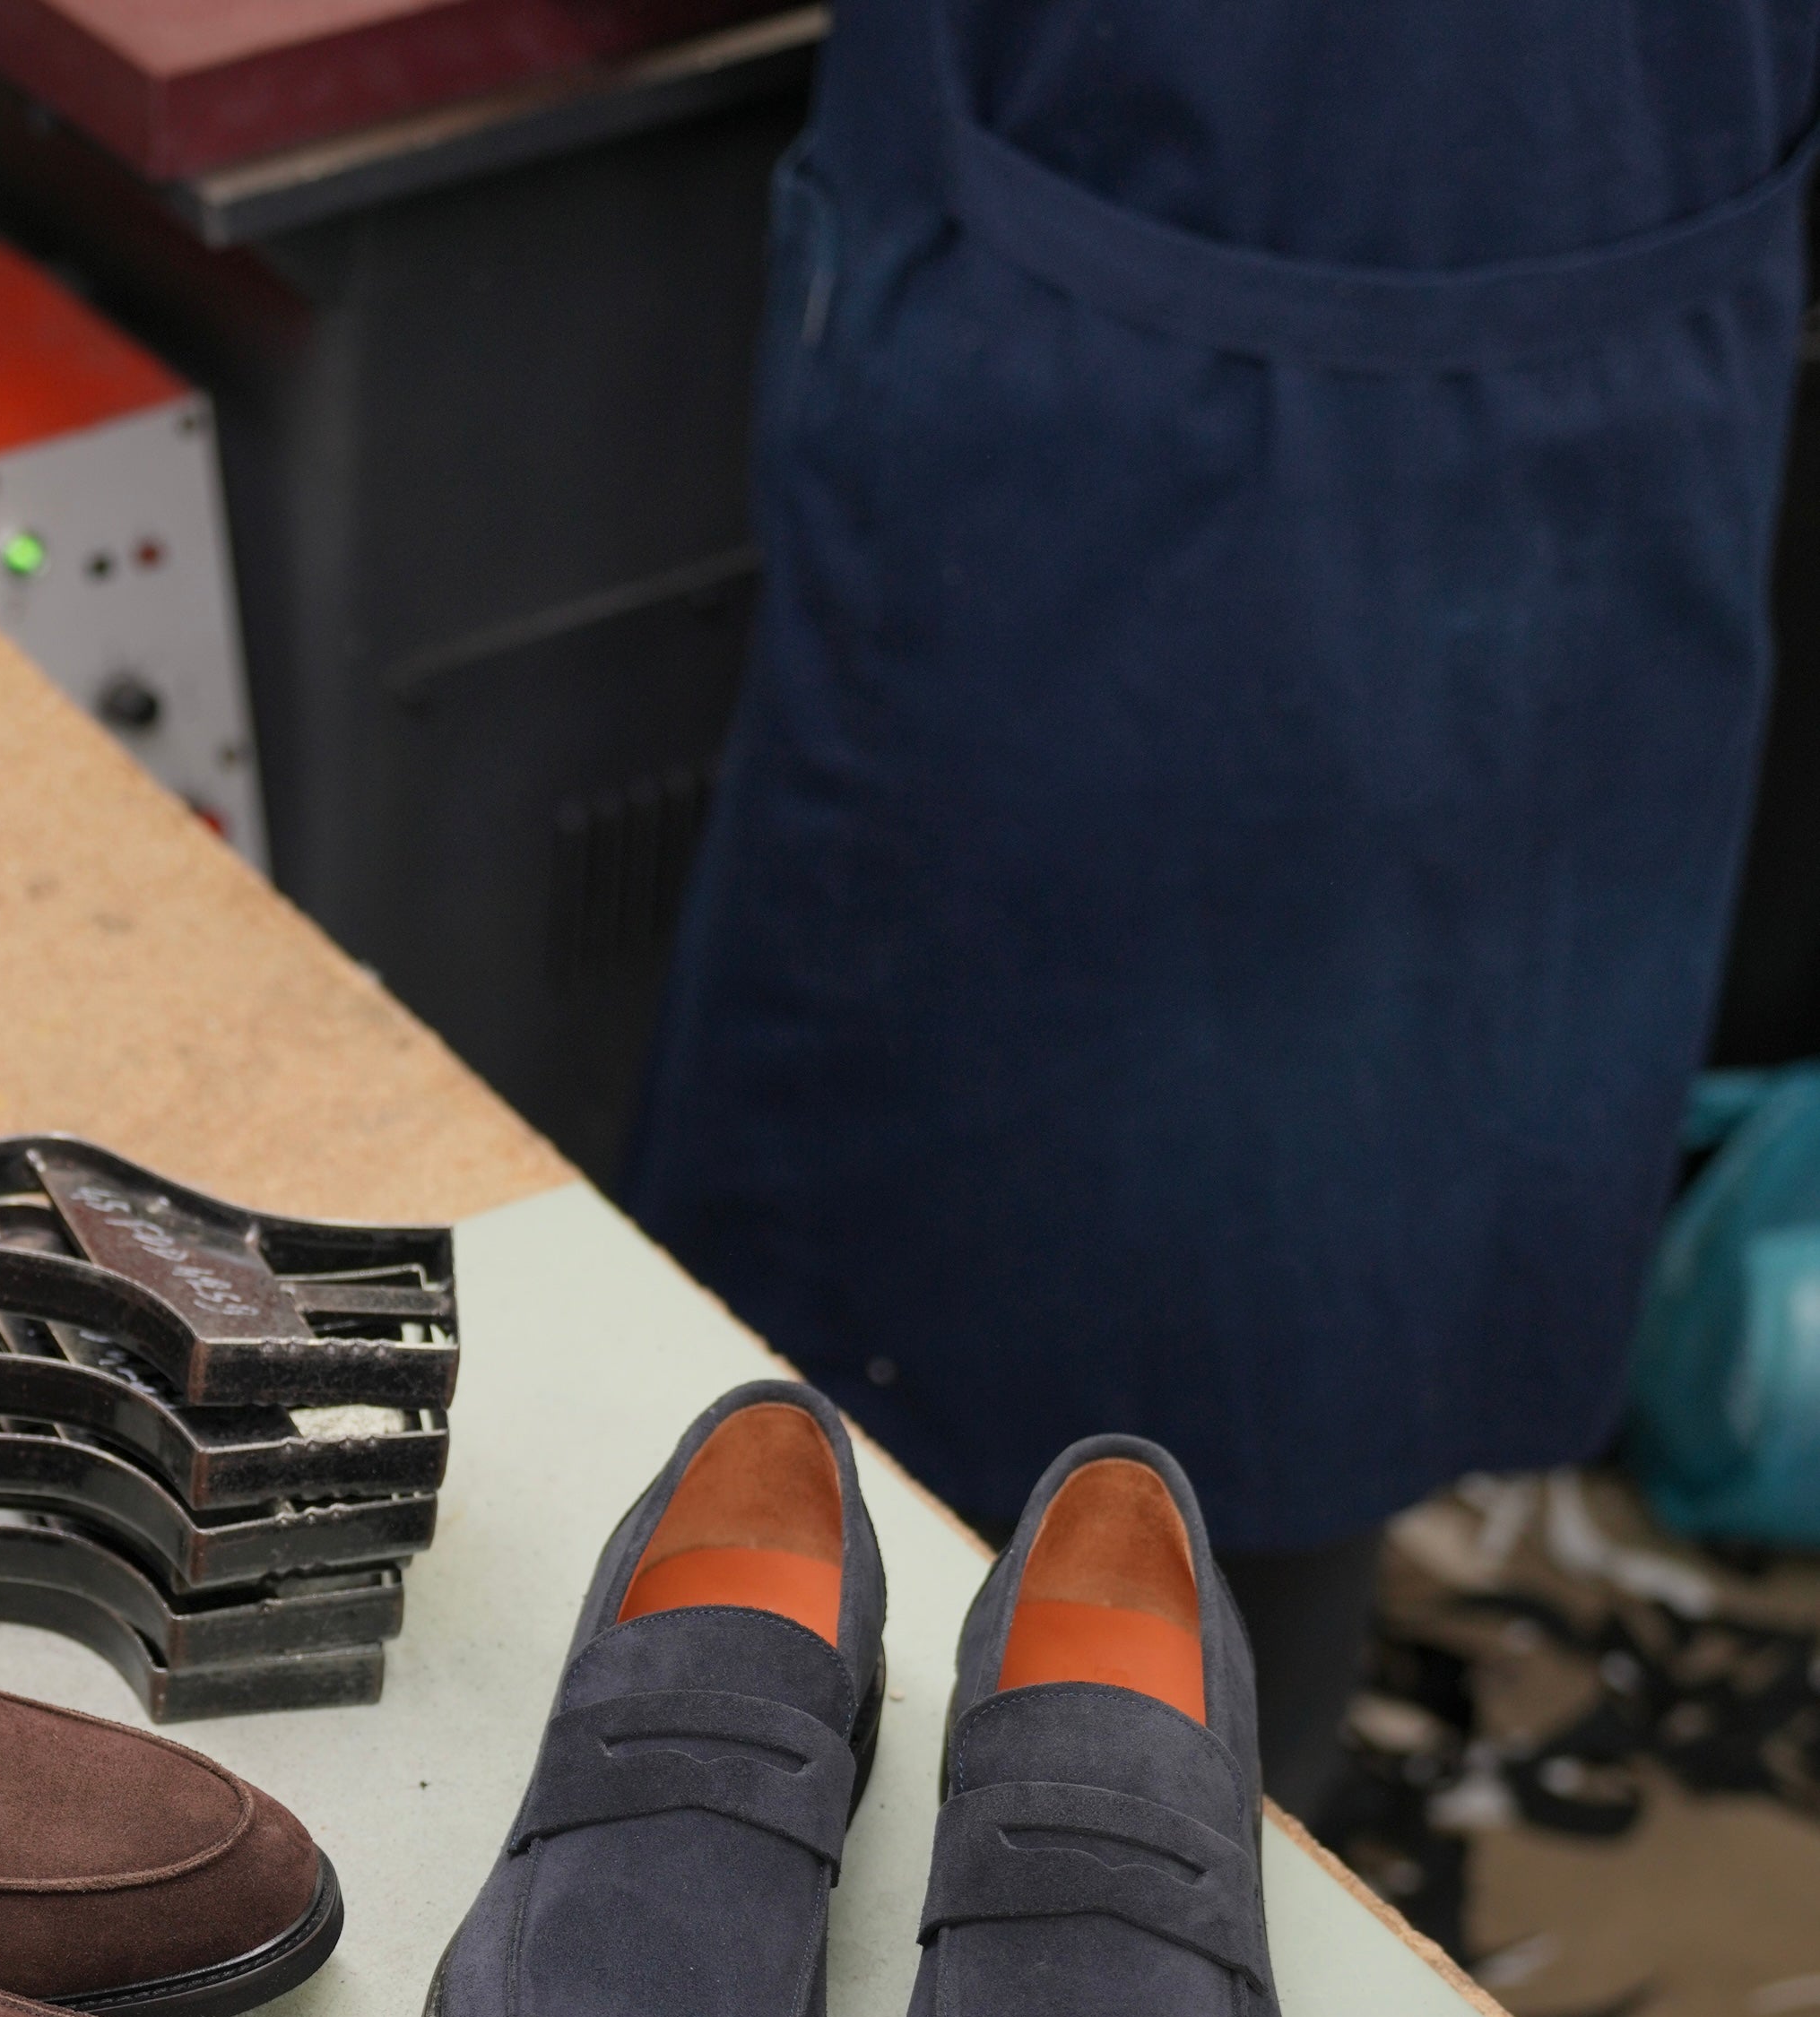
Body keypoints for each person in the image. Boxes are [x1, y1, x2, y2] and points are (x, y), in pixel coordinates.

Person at [626, 0, 1820, 1817]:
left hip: (1376, 300)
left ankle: (1127, 1873)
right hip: (1330, 297)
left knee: (1172, 1314)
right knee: (1228, 1280)